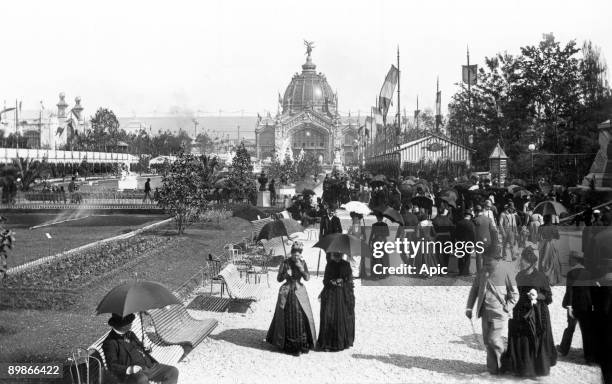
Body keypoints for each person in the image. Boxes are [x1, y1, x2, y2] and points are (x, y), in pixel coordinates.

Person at [502, 246, 557, 377]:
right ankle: (521, 367)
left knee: (534, 339)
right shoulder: (519, 276)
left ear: (530, 263)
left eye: (523, 261)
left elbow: (548, 297)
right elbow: (515, 293)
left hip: (537, 313)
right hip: (520, 311)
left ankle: (535, 368)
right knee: (521, 339)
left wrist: (537, 295)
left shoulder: (540, 277)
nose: (520, 262)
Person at [466, 256, 517, 374]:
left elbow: (515, 294)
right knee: (487, 342)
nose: (487, 264)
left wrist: (506, 308)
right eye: (486, 261)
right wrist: (469, 308)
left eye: (489, 262)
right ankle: (492, 369)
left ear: (497, 260)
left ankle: (505, 364)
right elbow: (474, 290)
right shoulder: (482, 271)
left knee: (493, 339)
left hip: (499, 313)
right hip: (484, 312)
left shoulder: (506, 271)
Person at [266, 242, 316, 356]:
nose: (295, 256)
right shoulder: (285, 262)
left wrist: (301, 269)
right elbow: (279, 279)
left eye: (298, 255)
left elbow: (307, 278)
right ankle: (286, 344)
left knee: (300, 316)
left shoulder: (302, 262)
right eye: (294, 254)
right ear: (291, 253)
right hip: (287, 291)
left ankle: (300, 345)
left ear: (300, 254)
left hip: (299, 291)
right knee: (286, 316)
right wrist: (284, 274)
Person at [102, 313, 179, 384]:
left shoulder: (130, 334)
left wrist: (146, 348)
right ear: (122, 325)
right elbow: (112, 366)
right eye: (129, 322)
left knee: (172, 371)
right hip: (134, 374)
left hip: (149, 366)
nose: (131, 323)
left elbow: (140, 349)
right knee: (141, 379)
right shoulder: (110, 342)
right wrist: (130, 369)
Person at [558, 252, 595, 363]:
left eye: (571, 259)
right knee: (586, 330)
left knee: (570, 328)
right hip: (586, 306)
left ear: (576, 260)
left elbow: (569, 291)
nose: (570, 260)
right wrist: (592, 305)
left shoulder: (571, 273)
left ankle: (563, 350)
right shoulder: (590, 273)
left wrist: (569, 306)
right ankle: (589, 356)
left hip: (574, 306)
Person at [317, 252, 355, 351]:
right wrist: (331, 281)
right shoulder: (329, 264)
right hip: (330, 293)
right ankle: (327, 343)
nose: (337, 257)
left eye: (339, 255)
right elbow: (325, 280)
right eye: (335, 255)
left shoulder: (346, 265)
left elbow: (349, 280)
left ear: (342, 255)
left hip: (341, 294)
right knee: (328, 316)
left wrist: (342, 281)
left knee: (340, 316)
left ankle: (339, 342)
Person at [472, 205, 499, 273]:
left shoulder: (475, 220)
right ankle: (485, 270)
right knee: (486, 256)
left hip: (479, 241)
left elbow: (473, 231)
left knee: (478, 257)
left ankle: (479, 272)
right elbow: (493, 230)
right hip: (488, 241)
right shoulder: (488, 219)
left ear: (476, 212)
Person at [538, 214, 562, 286]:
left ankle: (543, 278)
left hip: (543, 245)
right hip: (551, 245)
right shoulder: (554, 227)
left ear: (544, 219)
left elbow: (538, 237)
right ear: (550, 219)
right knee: (552, 261)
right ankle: (551, 279)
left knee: (543, 260)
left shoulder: (540, 227)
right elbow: (557, 237)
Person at [413, 212, 437, 278]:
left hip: (422, 241)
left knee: (423, 257)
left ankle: (424, 272)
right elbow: (434, 233)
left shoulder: (419, 224)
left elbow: (417, 235)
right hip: (429, 241)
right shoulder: (430, 223)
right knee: (430, 256)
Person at [455, 209, 476, 276]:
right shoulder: (471, 224)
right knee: (467, 257)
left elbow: (456, 233)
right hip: (469, 243)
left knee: (460, 257)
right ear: (470, 216)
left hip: (460, 242)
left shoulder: (459, 223)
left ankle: (460, 271)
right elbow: (473, 234)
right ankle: (466, 272)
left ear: (464, 215)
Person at [368, 212, 390, 278]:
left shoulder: (374, 225)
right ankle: (384, 274)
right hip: (383, 242)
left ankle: (377, 273)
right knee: (384, 258)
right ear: (382, 218)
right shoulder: (385, 224)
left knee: (377, 258)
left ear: (377, 218)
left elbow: (372, 235)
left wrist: (369, 243)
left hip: (376, 242)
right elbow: (387, 234)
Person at [347, 212, 366, 278]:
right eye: (354, 219)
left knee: (358, 259)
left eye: (357, 219)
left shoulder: (362, 228)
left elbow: (364, 237)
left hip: (359, 244)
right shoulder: (351, 227)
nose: (355, 220)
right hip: (352, 244)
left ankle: (357, 273)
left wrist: (362, 238)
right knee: (352, 259)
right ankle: (353, 273)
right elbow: (348, 236)